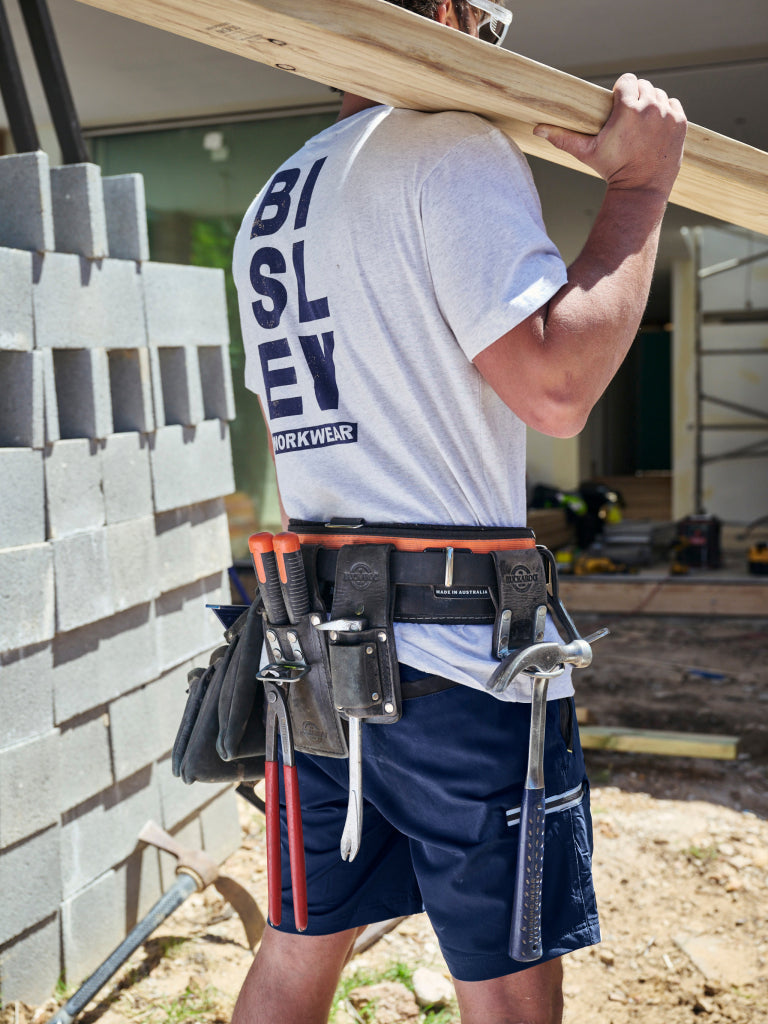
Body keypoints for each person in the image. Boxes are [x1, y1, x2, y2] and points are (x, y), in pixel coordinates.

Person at [230, 2, 687, 1020]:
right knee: (511, 995)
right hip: (460, 665)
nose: (493, 48)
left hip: (312, 660)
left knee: (299, 952)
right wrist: (642, 189)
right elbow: (556, 387)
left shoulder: (278, 197)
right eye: (488, 22)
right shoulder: (449, 147)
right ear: (443, 14)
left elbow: (297, 444)